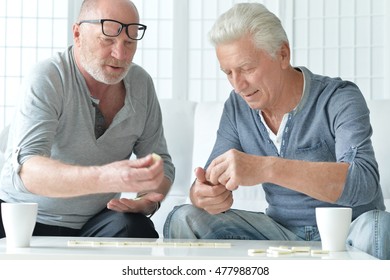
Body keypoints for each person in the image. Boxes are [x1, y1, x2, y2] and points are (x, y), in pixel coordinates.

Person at [163, 3, 390, 259]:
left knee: (379, 226)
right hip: (278, 232)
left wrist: (266, 168)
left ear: (283, 54)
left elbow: (363, 182)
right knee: (185, 217)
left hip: (346, 231)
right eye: (228, 73)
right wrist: (202, 194)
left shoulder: (339, 98)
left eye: (247, 68)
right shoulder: (237, 107)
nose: (238, 85)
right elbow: (209, 178)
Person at [0, 0, 174, 238]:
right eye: (108, 40)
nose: (121, 54)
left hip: (94, 221)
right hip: (20, 214)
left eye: (129, 42)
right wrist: (107, 177)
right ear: (78, 33)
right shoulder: (50, 76)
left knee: (137, 230)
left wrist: (147, 200)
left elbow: (160, 161)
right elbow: (27, 169)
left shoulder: (141, 84)